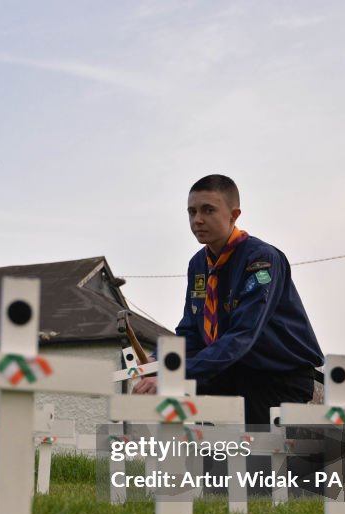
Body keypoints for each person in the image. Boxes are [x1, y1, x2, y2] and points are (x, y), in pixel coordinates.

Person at [134, 175, 323, 484]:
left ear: (234, 214)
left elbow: (242, 336)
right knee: (215, 459)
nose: (197, 219)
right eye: (191, 212)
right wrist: (158, 364)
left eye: (208, 210)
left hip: (276, 373)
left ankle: (297, 485)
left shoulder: (262, 260)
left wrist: (172, 373)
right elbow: (191, 332)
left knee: (256, 472)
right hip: (229, 369)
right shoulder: (199, 264)